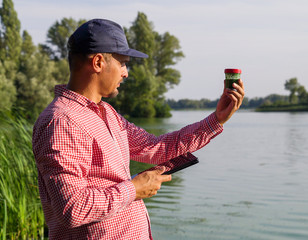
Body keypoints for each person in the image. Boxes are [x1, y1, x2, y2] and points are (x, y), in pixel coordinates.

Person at [32, 18, 245, 240]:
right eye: (122, 63)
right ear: (97, 62)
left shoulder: (108, 113)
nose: (125, 73)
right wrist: (133, 189)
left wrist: (217, 119)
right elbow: (72, 208)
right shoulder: (61, 121)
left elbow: (156, 148)